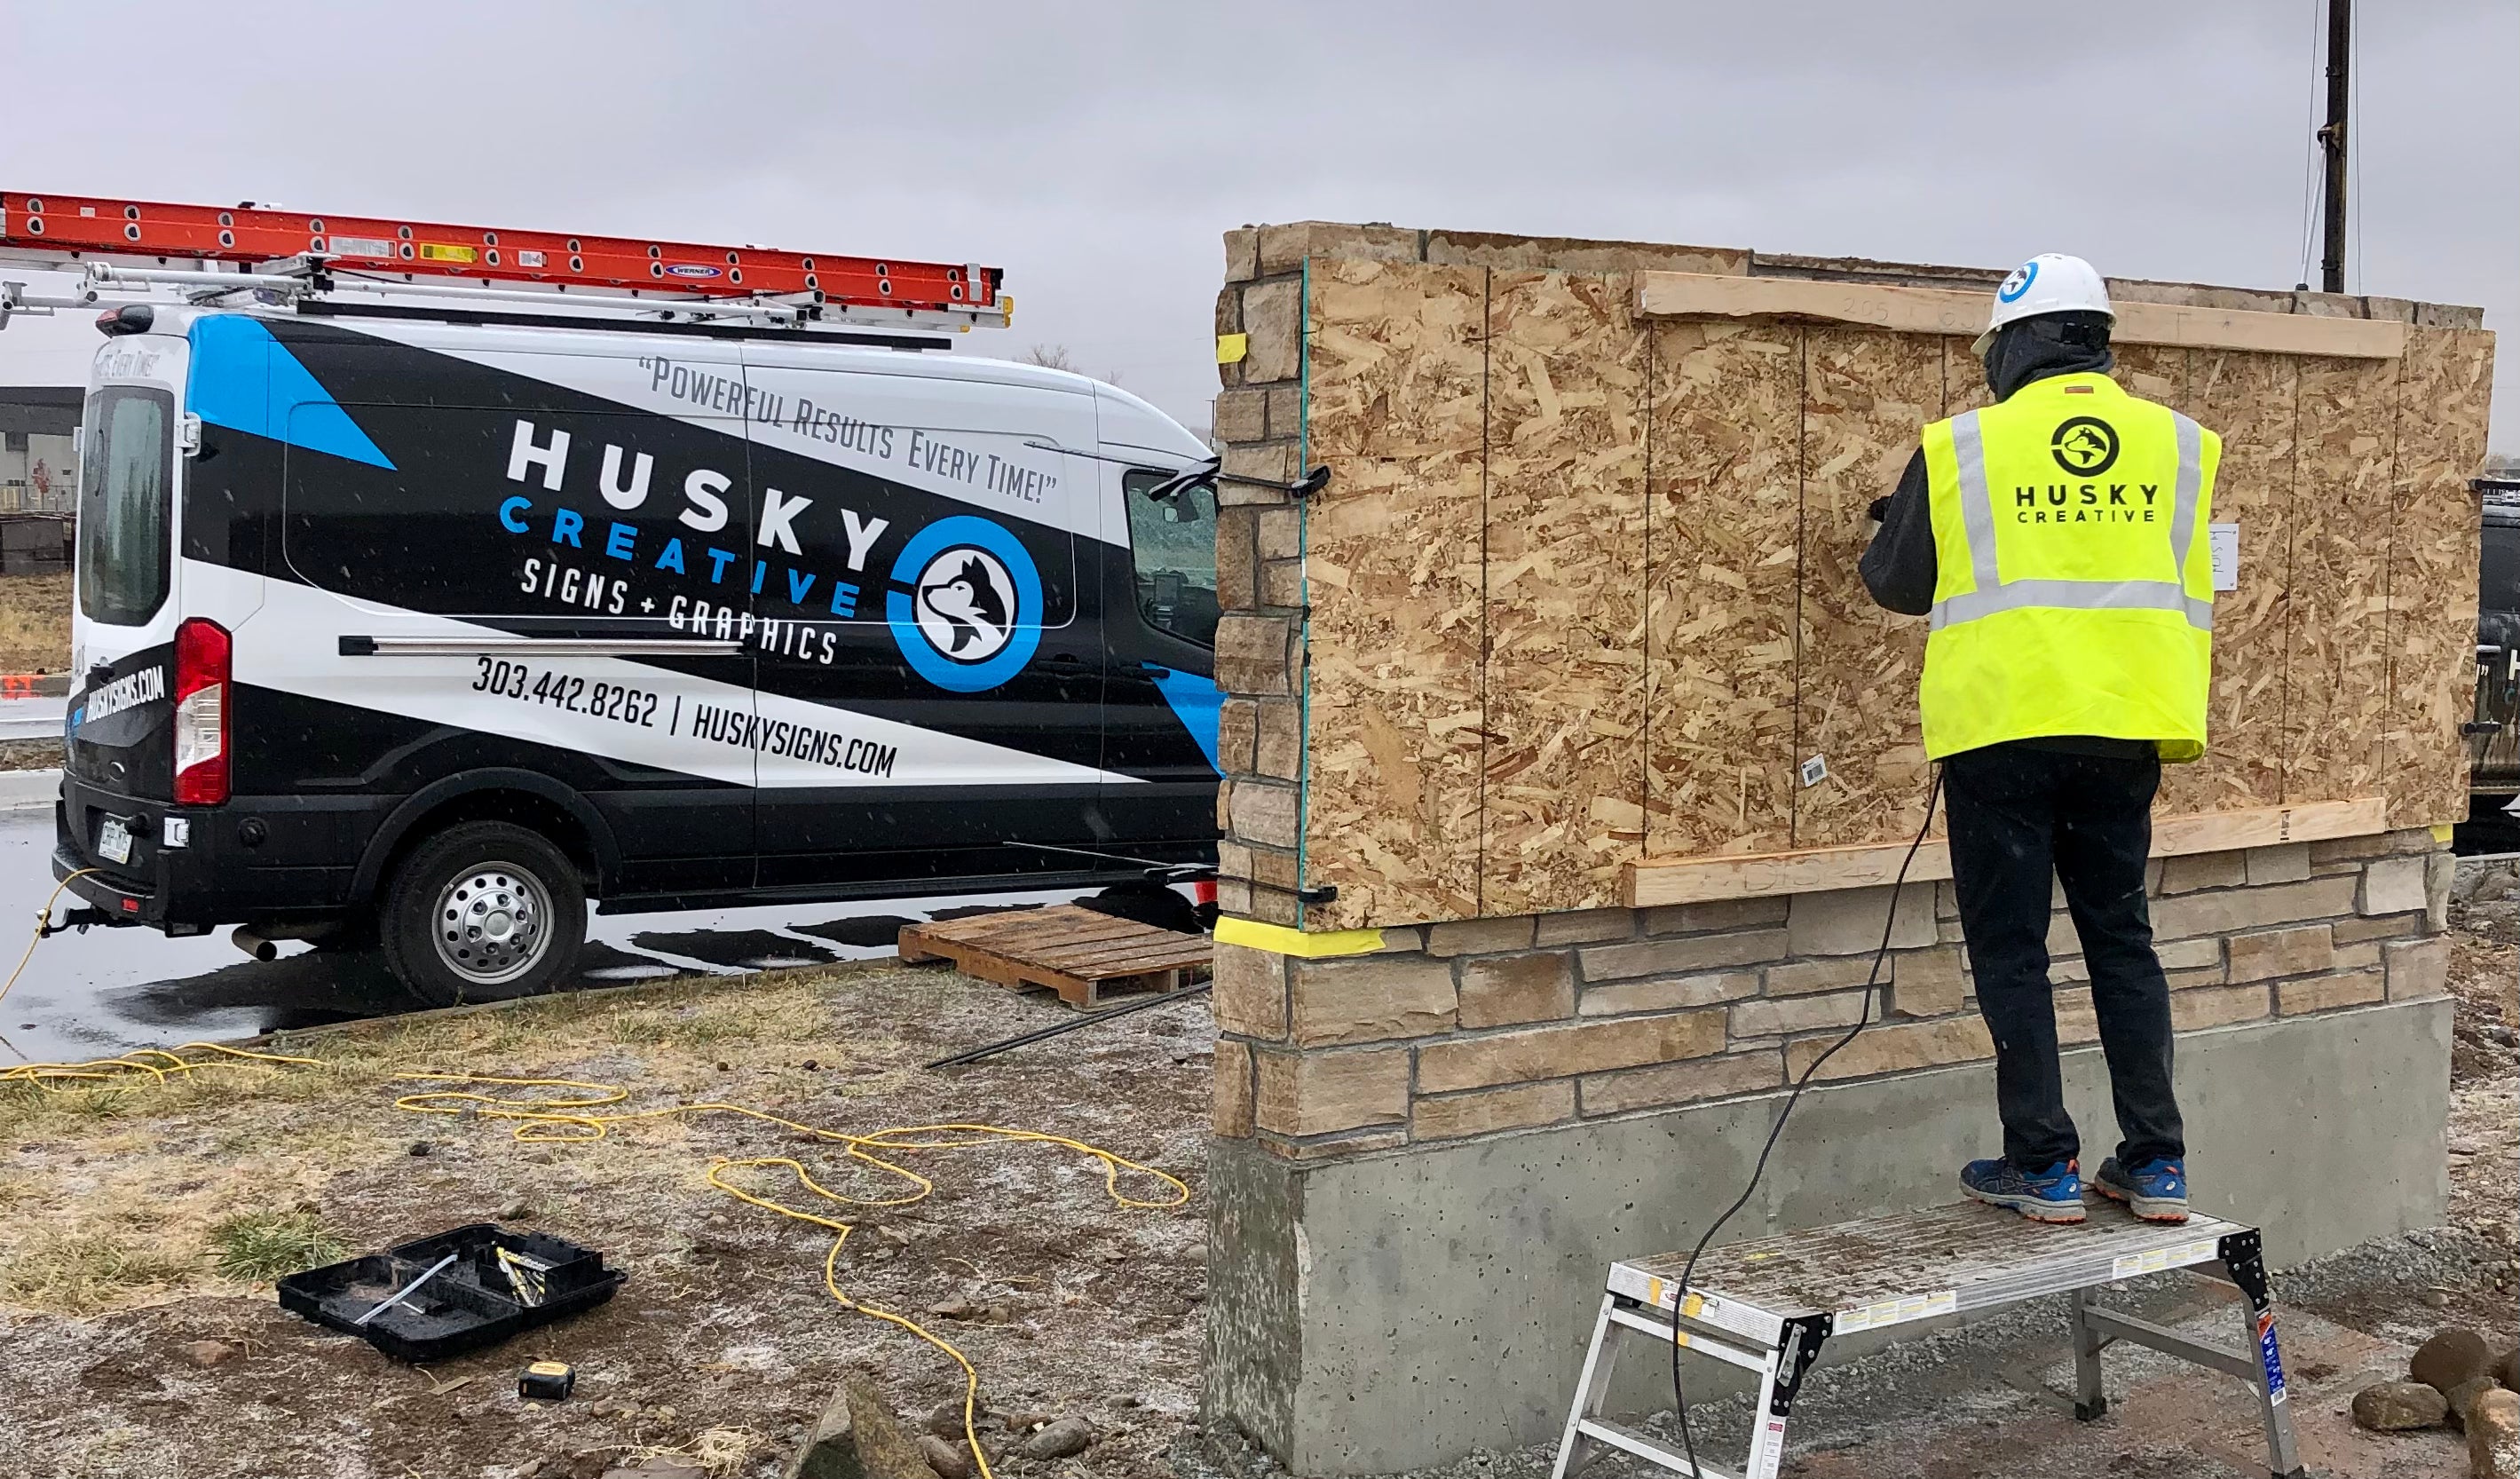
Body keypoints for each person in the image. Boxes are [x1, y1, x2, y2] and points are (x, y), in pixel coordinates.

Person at [1860, 253, 2219, 1227]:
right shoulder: (2179, 445)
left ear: (2014, 345)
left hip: (2004, 730)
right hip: (2125, 726)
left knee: (2013, 947)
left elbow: (1896, 585)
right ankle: (2155, 1163)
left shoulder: (1963, 448)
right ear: (2097, 341)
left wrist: (1889, 531)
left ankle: (2043, 1164)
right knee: (2121, 938)